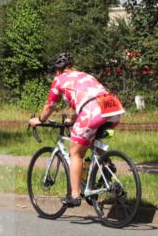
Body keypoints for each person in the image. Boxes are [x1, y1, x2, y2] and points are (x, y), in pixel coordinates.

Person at [28, 52, 125, 207]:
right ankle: (107, 164)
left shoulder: (59, 80)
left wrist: (39, 120)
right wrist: (73, 118)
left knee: (75, 152)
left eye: (54, 71)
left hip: (92, 110)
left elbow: (50, 106)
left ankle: (74, 195)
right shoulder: (85, 75)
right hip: (112, 106)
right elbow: (88, 98)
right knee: (92, 140)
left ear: (58, 71)